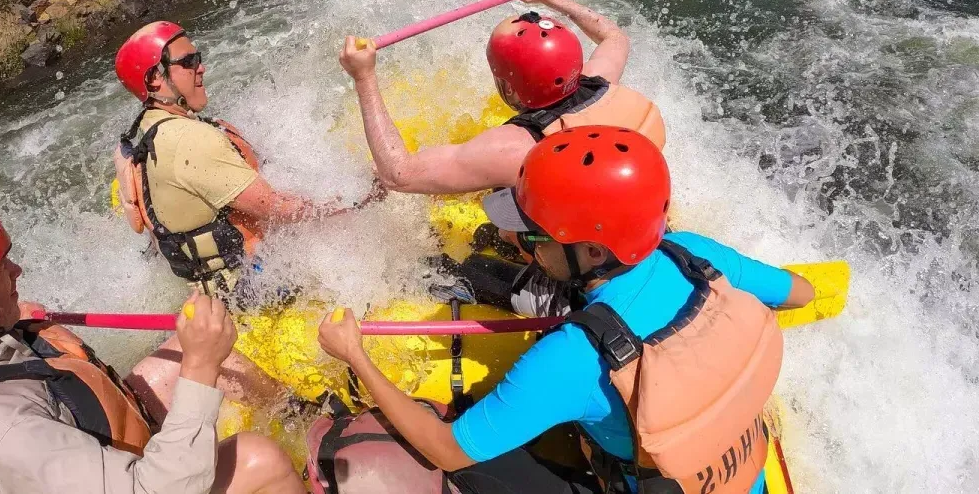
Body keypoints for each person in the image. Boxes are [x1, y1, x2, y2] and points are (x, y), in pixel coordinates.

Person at [317, 126, 816, 494]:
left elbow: (447, 449)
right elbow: (801, 292)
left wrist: (356, 356)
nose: (524, 248)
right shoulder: (696, 255)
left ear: (594, 252)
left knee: (410, 444)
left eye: (535, 237)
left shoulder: (574, 357)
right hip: (748, 475)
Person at [0, 199, 304, 494]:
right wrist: (200, 367)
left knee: (187, 352)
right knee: (257, 458)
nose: (16, 270)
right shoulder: (0, 425)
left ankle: (307, 420)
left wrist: (10, 316)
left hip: (87, 464)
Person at [339, 0, 665, 197]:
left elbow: (399, 175)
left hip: (578, 262)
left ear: (509, 90)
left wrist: (364, 77)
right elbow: (613, 36)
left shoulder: (512, 147)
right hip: (641, 220)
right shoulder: (602, 83)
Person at [114, 21, 371, 296]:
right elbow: (278, 209)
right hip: (249, 292)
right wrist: (356, 202)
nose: (201, 67)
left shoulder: (141, 135)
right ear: (155, 78)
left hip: (208, 288)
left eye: (198, 58)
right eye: (189, 62)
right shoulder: (189, 141)